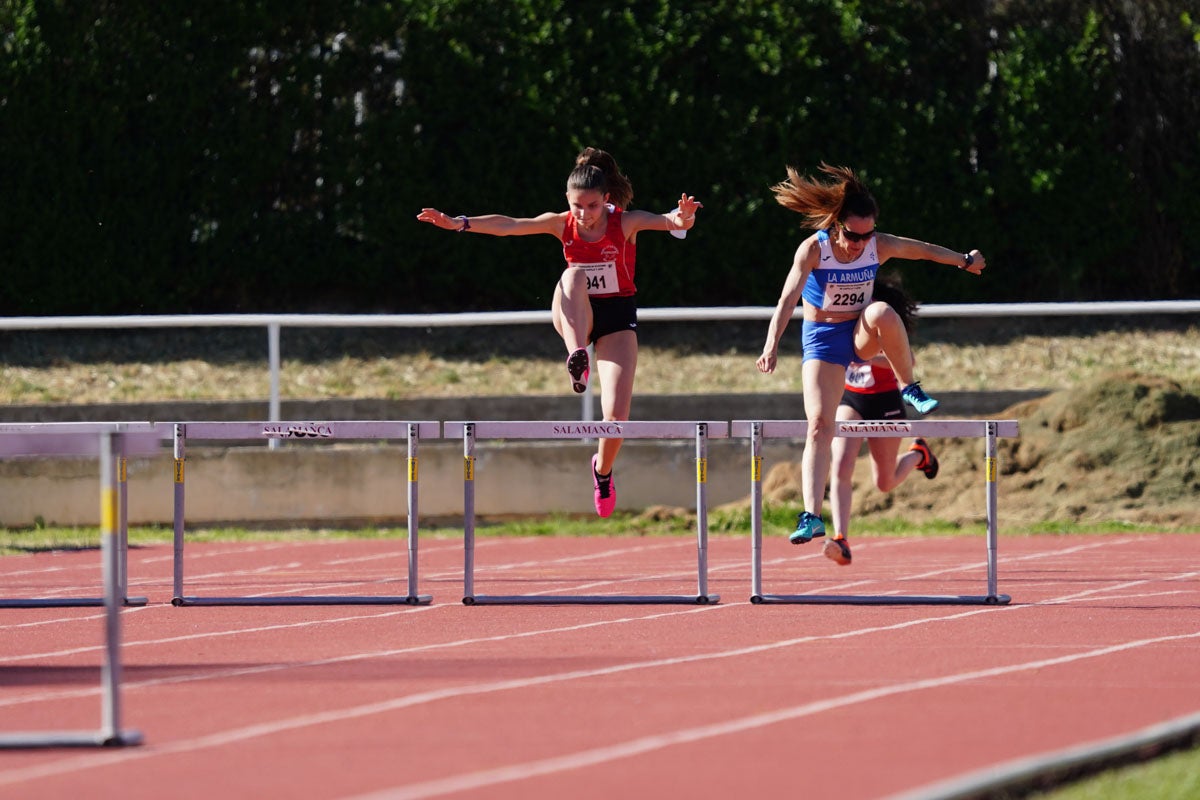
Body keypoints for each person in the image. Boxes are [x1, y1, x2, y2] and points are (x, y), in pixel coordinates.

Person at [416, 147, 702, 518]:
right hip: (574, 313)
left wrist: (683, 218)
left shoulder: (625, 223)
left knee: (616, 419)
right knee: (572, 275)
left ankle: (602, 471)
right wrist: (460, 223)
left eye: (593, 207)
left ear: (607, 201)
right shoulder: (561, 223)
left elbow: (671, 222)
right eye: (577, 206)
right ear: (568, 201)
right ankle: (576, 357)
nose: (584, 215)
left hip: (616, 315)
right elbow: (511, 225)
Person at [756, 162, 984, 547]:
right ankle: (812, 514)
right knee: (819, 426)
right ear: (836, 225)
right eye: (852, 235)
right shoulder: (814, 249)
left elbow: (924, 251)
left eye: (867, 235)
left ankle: (910, 386)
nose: (860, 244)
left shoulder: (878, 246)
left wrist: (963, 259)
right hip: (823, 338)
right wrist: (771, 345)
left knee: (881, 311)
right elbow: (787, 298)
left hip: (859, 332)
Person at [823, 278, 939, 566]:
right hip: (852, 400)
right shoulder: (843, 317)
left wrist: (869, 357)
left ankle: (917, 454)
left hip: (886, 402)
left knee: (884, 482)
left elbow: (907, 359)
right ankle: (841, 538)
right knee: (840, 462)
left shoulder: (883, 319)